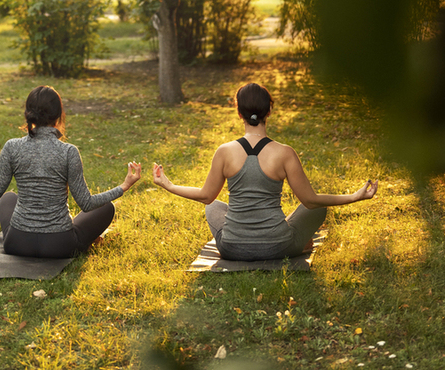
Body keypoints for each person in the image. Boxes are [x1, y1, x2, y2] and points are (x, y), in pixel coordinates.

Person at [153, 81, 379, 260]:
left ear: (239, 113)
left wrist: (168, 184)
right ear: (269, 111)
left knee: (212, 205)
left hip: (233, 248)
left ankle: (282, 239)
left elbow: (205, 196)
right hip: (278, 246)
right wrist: (355, 196)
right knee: (318, 209)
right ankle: (295, 245)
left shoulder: (224, 151)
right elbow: (310, 201)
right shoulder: (285, 153)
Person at [0, 84, 142, 257]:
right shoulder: (69, 152)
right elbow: (87, 203)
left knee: (7, 197)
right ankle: (75, 238)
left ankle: (31, 233)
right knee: (107, 208)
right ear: (59, 115)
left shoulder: (12, 147)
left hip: (17, 244)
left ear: (28, 114)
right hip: (59, 246)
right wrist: (124, 186)